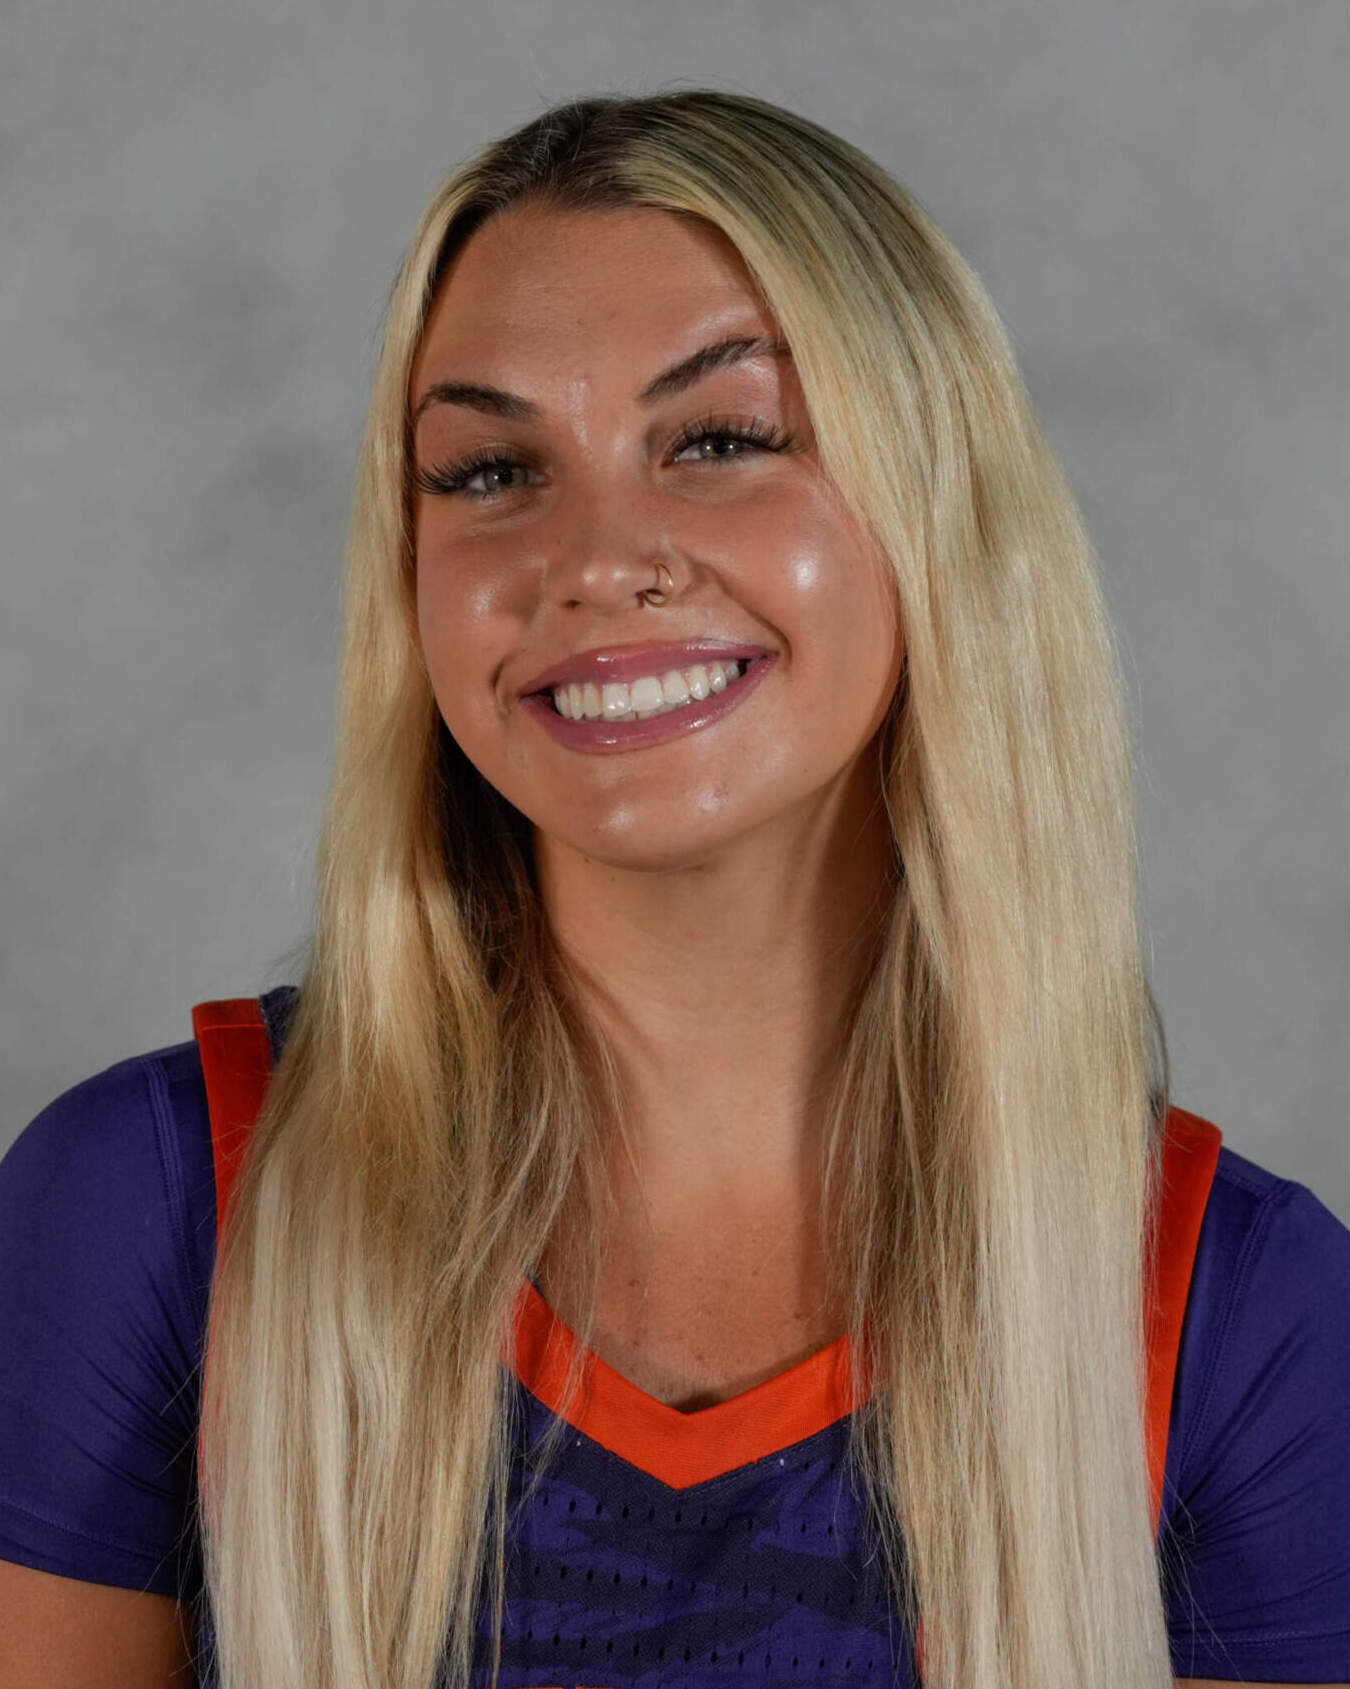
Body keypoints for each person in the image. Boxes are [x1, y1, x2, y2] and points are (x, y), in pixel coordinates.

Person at [1, 89, 1348, 1689]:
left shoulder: (1232, 1309)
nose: (594, 557)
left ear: (942, 507)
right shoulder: (157, 1205)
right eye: (491, 468)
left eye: (718, 440)